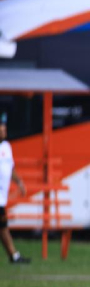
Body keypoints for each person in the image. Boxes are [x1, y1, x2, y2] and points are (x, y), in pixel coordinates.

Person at [0, 113, 29, 264]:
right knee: (3, 225)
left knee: (3, 226)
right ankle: (13, 255)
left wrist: (19, 182)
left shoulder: (6, 146)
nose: (3, 131)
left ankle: (13, 255)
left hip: (2, 197)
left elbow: (10, 168)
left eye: (4, 128)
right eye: (1, 128)